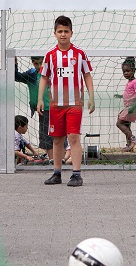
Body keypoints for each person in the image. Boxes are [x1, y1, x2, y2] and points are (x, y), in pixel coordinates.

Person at [37, 15, 95, 187]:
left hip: (74, 103)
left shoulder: (79, 54)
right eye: (60, 31)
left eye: (66, 31)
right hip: (55, 104)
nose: (63, 34)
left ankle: (76, 174)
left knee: (74, 137)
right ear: (54, 33)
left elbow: (87, 75)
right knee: (57, 139)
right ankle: (57, 173)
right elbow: (44, 77)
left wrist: (91, 97)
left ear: (71, 33)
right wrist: (40, 99)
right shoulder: (50, 55)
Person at [15, 56, 55, 161]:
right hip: (43, 109)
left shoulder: (52, 72)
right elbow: (17, 77)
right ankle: (52, 159)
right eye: (35, 63)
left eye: (40, 63)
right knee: (45, 133)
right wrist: (14, 64)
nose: (38, 66)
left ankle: (60, 158)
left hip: (56, 108)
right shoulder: (32, 74)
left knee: (57, 134)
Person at [116, 57, 136, 152]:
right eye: (124, 71)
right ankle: (129, 146)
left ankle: (133, 139)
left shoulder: (135, 82)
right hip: (129, 107)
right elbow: (130, 95)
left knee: (119, 123)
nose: (125, 73)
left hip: (132, 107)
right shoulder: (130, 82)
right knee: (127, 126)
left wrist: (133, 107)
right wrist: (120, 96)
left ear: (134, 71)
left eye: (128, 71)